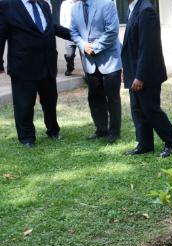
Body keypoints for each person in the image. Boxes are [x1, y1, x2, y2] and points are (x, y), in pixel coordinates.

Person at [0, 0, 71, 147]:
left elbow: (51, 27)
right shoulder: (7, 5)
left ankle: (53, 130)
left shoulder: (44, 5)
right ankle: (27, 137)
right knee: (24, 104)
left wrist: (75, 36)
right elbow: (1, 34)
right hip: (23, 65)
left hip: (47, 63)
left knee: (50, 101)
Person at [121, 0, 172, 157]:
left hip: (147, 74)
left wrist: (140, 76)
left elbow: (148, 47)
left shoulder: (145, 10)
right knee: (138, 110)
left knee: (151, 110)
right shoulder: (134, 9)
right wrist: (128, 70)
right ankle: (145, 144)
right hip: (135, 71)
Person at [70, 0, 122, 144]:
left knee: (112, 98)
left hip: (109, 60)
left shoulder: (107, 4)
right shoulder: (74, 9)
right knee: (94, 97)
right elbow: (73, 32)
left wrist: (95, 47)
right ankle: (101, 130)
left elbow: (112, 30)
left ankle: (114, 132)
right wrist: (83, 46)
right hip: (89, 62)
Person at [60, 0, 78, 76]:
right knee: (69, 54)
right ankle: (70, 67)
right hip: (69, 33)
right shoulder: (65, 4)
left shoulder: (81, 2)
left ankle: (87, 72)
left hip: (81, 33)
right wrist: (65, 31)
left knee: (84, 54)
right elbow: (62, 19)